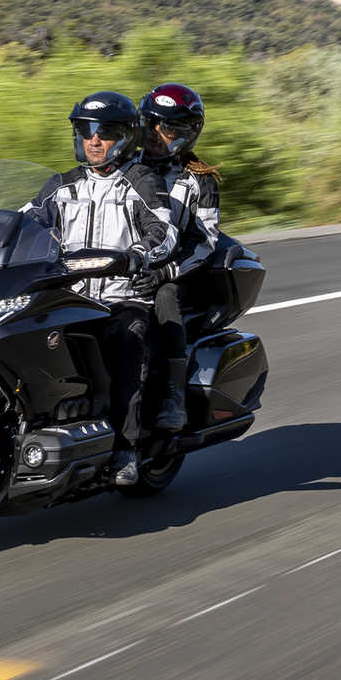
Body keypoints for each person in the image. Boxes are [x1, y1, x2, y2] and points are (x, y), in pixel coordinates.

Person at [23, 90, 178, 485]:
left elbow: (163, 230)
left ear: (124, 137)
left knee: (127, 341)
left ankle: (126, 448)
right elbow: (20, 224)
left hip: (121, 298)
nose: (94, 140)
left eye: (105, 132)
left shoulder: (142, 181)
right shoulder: (62, 185)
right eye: (86, 131)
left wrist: (139, 254)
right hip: (67, 298)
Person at [133, 82, 221, 431]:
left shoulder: (200, 180)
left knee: (164, 297)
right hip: (130, 261)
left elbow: (205, 241)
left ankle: (173, 396)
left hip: (179, 270)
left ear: (187, 132)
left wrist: (167, 272)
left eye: (167, 127)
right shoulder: (122, 165)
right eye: (151, 122)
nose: (156, 133)